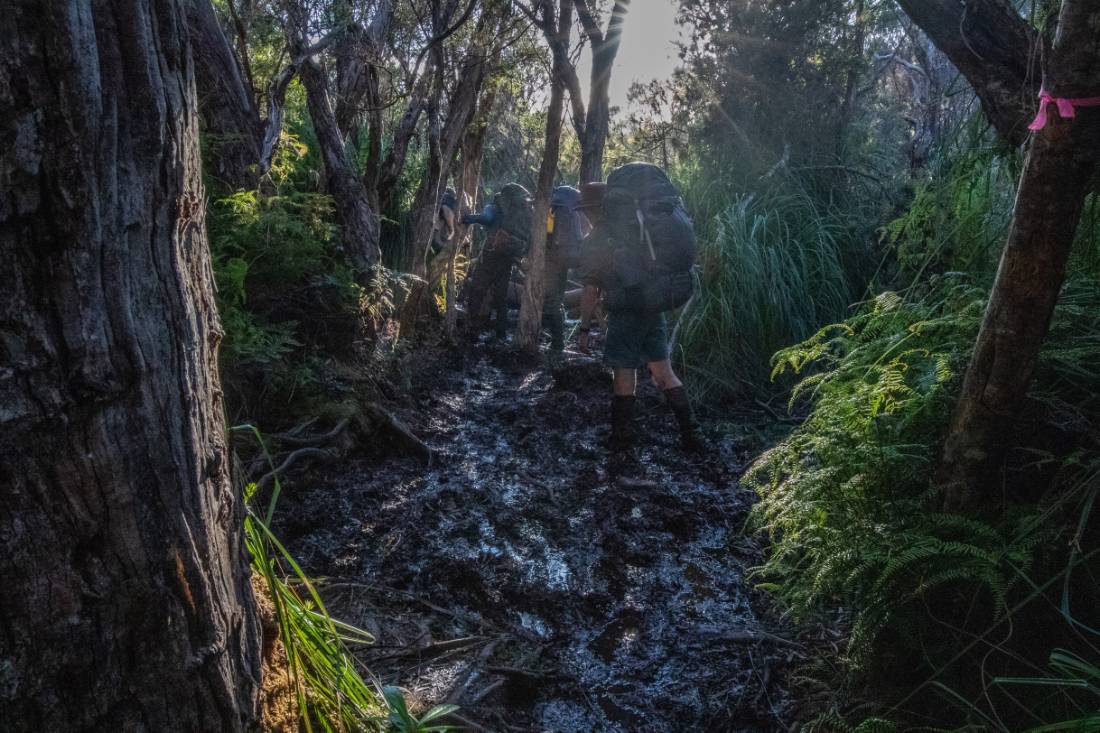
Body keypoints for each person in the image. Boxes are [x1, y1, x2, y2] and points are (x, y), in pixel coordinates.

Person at [576, 165, 703, 453]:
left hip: (627, 310)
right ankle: (692, 434)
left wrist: (584, 329)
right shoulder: (637, 229)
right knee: (663, 373)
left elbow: (589, 291)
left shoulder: (598, 238)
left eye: (584, 209)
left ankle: (622, 440)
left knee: (623, 372)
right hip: (653, 306)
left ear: (595, 208)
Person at [462, 184, 533, 339]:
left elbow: (485, 218)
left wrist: (466, 218)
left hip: (490, 255)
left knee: (477, 291)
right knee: (501, 297)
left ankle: (470, 330)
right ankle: (501, 334)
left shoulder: (494, 207)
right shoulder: (523, 212)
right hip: (507, 257)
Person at [543, 185, 583, 353]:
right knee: (556, 300)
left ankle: (557, 344)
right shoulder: (572, 212)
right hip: (568, 259)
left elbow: (549, 235)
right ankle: (556, 341)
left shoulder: (555, 210)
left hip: (554, 259)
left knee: (553, 301)